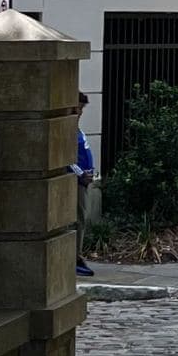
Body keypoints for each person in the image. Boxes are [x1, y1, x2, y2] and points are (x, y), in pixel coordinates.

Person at [74, 91, 95, 277]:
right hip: (77, 181)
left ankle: (77, 255)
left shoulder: (77, 128)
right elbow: (67, 159)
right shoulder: (68, 128)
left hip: (84, 180)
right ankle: (74, 256)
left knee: (82, 218)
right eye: (78, 108)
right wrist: (81, 174)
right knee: (78, 218)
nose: (80, 112)